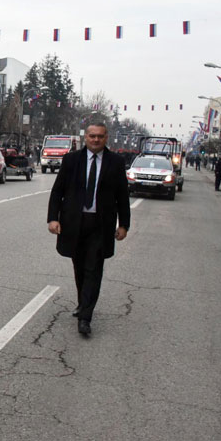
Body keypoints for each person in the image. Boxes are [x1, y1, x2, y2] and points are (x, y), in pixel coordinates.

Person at [47, 123, 131, 336]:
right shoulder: (71, 160)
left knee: (94, 268)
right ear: (86, 138)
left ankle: (85, 317)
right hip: (75, 222)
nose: (96, 140)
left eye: (100, 137)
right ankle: (82, 302)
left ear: (106, 138)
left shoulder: (115, 162)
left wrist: (124, 224)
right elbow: (58, 191)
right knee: (79, 266)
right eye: (92, 136)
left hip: (100, 224)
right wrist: (52, 219)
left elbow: (122, 196)